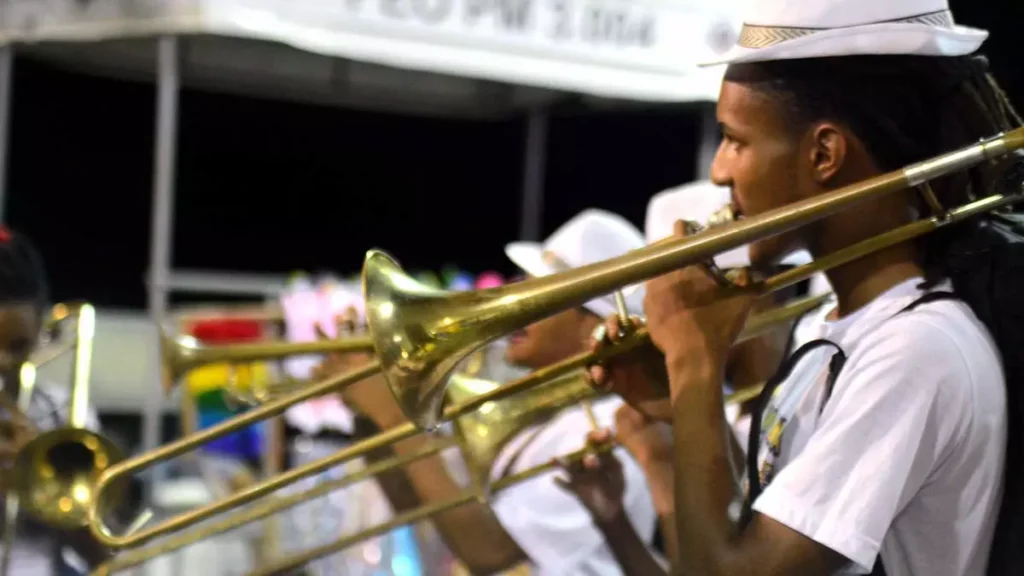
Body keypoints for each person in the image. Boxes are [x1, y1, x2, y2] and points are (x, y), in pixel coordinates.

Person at [592, 1, 1011, 574]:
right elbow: (758, 522)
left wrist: (694, 357)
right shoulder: (834, 328)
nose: (718, 171)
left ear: (824, 154)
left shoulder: (915, 350)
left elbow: (728, 569)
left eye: (734, 140)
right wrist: (691, 406)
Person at [314, 209, 657, 575]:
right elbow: (416, 503)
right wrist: (367, 410)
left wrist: (395, 416)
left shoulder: (604, 429)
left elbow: (489, 551)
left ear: (593, 322)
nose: (513, 300)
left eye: (539, 291)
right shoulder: (535, 414)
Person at [557, 181, 835, 574]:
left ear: (755, 287)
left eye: (683, 298)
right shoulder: (741, 410)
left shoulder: (822, 378)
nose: (660, 320)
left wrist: (659, 463)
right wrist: (615, 517)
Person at [0, 227, 114, 575]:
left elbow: (105, 558)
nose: (3, 362)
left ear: (39, 333)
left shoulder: (62, 414)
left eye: (17, 346)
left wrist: (45, 482)